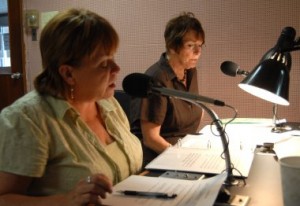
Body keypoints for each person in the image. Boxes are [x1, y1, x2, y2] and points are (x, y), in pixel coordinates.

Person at [0, 8, 142, 205]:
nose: (117, 69)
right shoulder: (27, 119)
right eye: (103, 64)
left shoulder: (107, 102)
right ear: (68, 74)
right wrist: (66, 200)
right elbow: (4, 199)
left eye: (113, 58)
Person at [131, 12, 205, 166]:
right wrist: (182, 159)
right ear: (172, 47)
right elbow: (151, 139)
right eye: (190, 45)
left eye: (200, 45)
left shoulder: (190, 71)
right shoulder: (156, 79)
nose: (198, 52)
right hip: (157, 160)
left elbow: (193, 111)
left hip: (183, 152)